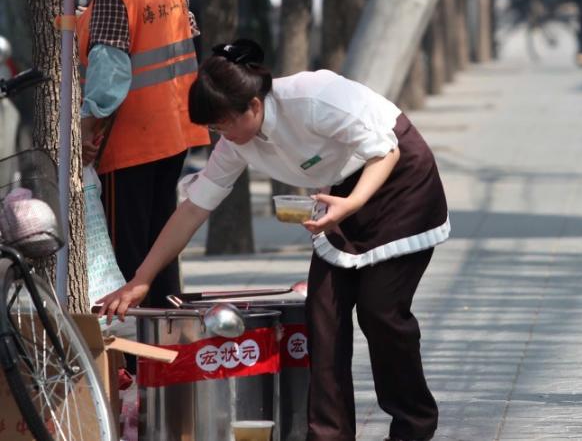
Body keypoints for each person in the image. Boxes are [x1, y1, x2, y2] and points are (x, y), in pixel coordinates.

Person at [98, 40, 450, 441]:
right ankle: (329, 435)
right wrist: (143, 277)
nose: (221, 136)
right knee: (323, 313)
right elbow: (194, 208)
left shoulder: (313, 98)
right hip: (343, 192)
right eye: (214, 129)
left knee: (380, 311)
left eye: (224, 124)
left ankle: (414, 425)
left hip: (399, 178)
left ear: (253, 105)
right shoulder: (236, 141)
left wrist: (350, 204)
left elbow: (385, 152)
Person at [74, 0, 210, 308]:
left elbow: (110, 70)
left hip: (131, 140)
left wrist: (88, 126)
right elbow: (185, 31)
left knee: (129, 258)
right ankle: (167, 345)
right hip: (176, 130)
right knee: (159, 247)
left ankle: (134, 361)